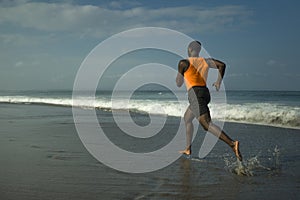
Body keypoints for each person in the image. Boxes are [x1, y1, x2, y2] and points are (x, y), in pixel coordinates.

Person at [176, 41, 242, 161]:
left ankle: (232, 143)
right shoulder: (205, 61)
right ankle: (188, 148)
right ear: (199, 50)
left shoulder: (183, 63)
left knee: (206, 124)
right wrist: (218, 82)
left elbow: (179, 83)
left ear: (189, 49)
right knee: (187, 118)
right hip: (204, 93)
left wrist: (180, 74)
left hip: (195, 94)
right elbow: (222, 65)